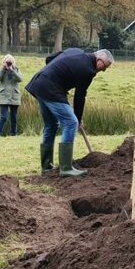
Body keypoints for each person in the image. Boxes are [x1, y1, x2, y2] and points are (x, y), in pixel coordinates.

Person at [25, 48, 114, 177]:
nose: (103, 70)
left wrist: (57, 75)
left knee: (51, 125)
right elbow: (80, 96)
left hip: (39, 83)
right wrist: (78, 119)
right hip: (51, 89)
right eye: (104, 67)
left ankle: (46, 167)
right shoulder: (88, 70)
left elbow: (49, 59)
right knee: (71, 123)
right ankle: (66, 168)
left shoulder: (75, 51)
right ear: (99, 60)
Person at [0, 54, 22, 136]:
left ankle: (13, 134)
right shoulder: (2, 70)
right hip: (4, 96)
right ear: (4, 62)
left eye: (10, 62)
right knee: (3, 117)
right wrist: (3, 69)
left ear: (13, 62)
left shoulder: (17, 70)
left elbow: (20, 79)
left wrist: (12, 71)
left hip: (14, 96)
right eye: (7, 62)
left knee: (13, 117)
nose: (9, 64)